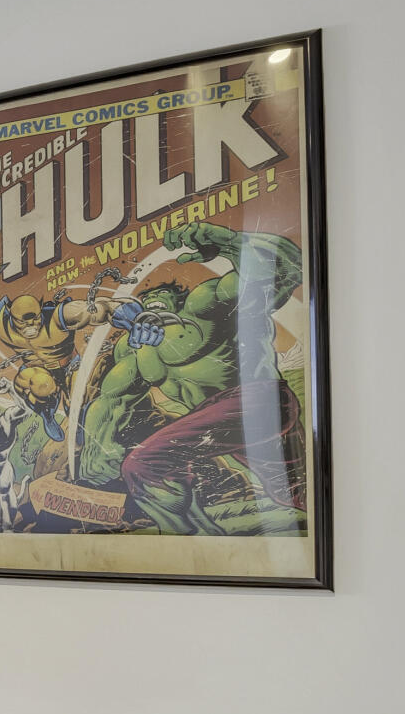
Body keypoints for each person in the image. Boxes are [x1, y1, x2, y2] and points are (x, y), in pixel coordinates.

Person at [73, 222, 308, 535]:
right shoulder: (133, 351)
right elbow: (112, 399)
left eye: (163, 299)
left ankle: (198, 543)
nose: (153, 303)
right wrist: (95, 446)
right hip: (224, 425)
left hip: (257, 398)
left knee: (143, 465)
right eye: (148, 301)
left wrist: (232, 241)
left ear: (179, 303)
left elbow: (286, 271)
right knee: (294, 490)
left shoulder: (205, 306)